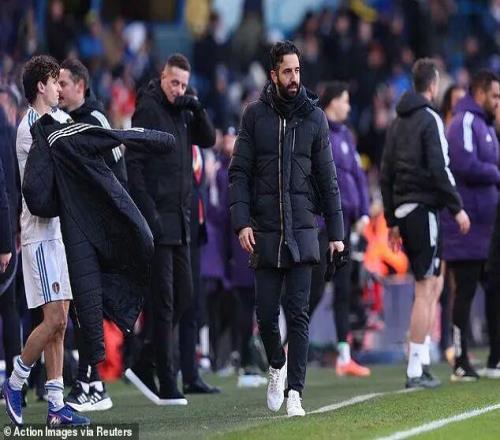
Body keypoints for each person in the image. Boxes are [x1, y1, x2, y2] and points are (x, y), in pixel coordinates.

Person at [229, 40, 344, 416]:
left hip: (303, 231)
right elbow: (239, 173)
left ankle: (296, 392)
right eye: (287, 72)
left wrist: (337, 234)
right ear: (273, 74)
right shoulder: (253, 116)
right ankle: (276, 364)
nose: (294, 78)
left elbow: (328, 179)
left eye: (297, 71)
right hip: (265, 232)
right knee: (265, 316)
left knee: (298, 314)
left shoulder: (315, 118)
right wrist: (241, 223)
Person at [2, 55, 90, 426]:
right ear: (41, 86)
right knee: (52, 319)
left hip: (59, 234)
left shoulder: (59, 120)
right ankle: (15, 381)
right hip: (39, 234)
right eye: (55, 82)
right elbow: (56, 176)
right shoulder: (29, 129)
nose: (59, 89)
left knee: (61, 322)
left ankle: (55, 406)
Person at [125, 53, 216, 405]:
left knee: (184, 296)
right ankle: (166, 381)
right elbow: (134, 166)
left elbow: (207, 139)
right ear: (162, 77)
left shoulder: (184, 110)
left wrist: (197, 108)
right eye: (173, 82)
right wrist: (149, 214)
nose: (178, 89)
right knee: (163, 303)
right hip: (159, 219)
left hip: (182, 219)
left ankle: (144, 360)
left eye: (183, 84)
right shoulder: (147, 110)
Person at [381, 58, 470, 389]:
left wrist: (392, 219)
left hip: (407, 211)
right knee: (426, 286)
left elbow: (386, 174)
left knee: (434, 285)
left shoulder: (396, 123)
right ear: (433, 85)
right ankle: (415, 368)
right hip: (423, 210)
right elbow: (439, 167)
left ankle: (422, 361)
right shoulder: (430, 118)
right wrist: (457, 208)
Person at [57, 57, 118, 411]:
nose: (59, 89)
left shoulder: (95, 121)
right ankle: (92, 383)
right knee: (81, 308)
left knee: (87, 307)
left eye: (63, 83)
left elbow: (116, 176)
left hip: (96, 230)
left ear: (80, 86)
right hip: (80, 227)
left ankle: (90, 384)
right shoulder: (67, 121)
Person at [309, 81, 371, 377]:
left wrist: (363, 212)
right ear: (333, 102)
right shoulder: (318, 130)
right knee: (315, 288)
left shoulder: (346, 135)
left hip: (344, 224)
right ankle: (286, 345)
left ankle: (344, 356)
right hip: (323, 224)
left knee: (344, 289)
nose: (348, 106)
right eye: (345, 100)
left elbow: (357, 176)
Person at [441, 71, 500, 381]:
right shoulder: (464, 121)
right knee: (463, 292)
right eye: (495, 96)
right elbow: (464, 163)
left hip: (485, 227)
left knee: (489, 289)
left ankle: (491, 356)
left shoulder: (484, 125)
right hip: (466, 225)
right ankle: (460, 360)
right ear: (480, 93)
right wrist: (495, 173)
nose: (498, 102)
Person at [0, 88, 22, 385]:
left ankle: (20, 379)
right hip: (12, 232)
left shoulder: (12, 135)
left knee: (12, 306)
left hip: (10, 232)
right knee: (11, 306)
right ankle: (20, 381)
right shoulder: (12, 135)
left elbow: (6, 192)